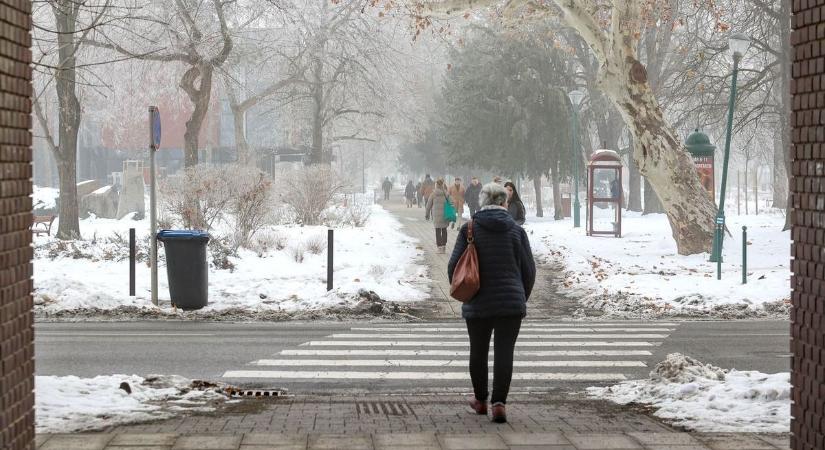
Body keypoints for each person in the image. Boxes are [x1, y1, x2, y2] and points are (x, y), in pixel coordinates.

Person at [447, 182, 536, 424]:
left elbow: (453, 267)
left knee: (478, 351)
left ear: (482, 202)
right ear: (504, 203)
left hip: (477, 302)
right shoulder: (517, 231)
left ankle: (480, 400)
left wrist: (466, 293)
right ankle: (499, 404)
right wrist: (520, 296)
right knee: (505, 352)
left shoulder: (469, 229)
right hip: (511, 303)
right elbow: (529, 270)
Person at [425, 178, 450, 254]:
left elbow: (428, 205)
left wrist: (427, 214)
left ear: (436, 185)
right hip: (445, 215)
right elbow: (451, 202)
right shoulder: (446, 193)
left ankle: (439, 248)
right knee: (444, 230)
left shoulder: (433, 194)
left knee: (438, 231)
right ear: (442, 185)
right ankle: (444, 246)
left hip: (436, 216)